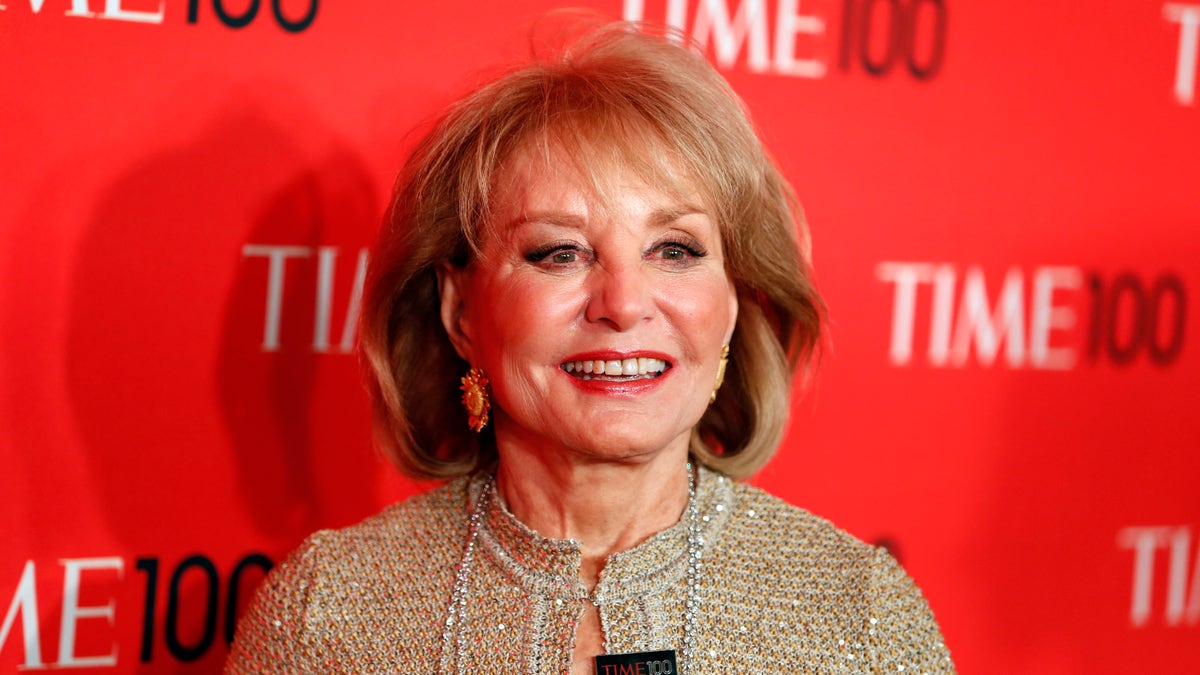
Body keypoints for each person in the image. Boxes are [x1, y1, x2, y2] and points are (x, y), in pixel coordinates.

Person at [226, 19, 955, 675]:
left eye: (674, 249)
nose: (626, 302)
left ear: (733, 303)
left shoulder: (858, 620)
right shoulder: (325, 617)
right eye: (559, 253)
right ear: (462, 313)